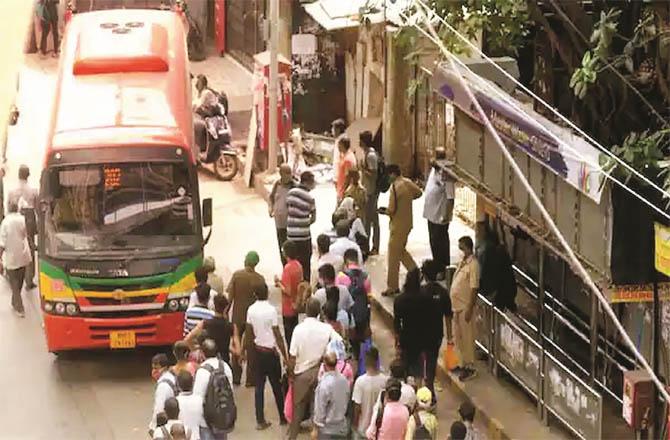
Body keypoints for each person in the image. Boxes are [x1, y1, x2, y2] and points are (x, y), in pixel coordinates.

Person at [288, 298, 342, 440]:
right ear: (319, 312)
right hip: (320, 372)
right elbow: (339, 343)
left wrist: (291, 375)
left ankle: (292, 437)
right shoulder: (326, 329)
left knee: (298, 410)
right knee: (317, 409)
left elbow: (292, 356)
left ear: (306, 311)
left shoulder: (298, 330)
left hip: (302, 374)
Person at [243, 282, 288, 430]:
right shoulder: (271, 310)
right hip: (271, 353)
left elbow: (248, 333)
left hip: (257, 352)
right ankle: (282, 417)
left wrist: (243, 351)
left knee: (259, 387)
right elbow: (277, 335)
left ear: (255, 295)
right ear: (267, 293)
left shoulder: (251, 310)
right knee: (277, 386)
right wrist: (285, 356)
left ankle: (260, 420)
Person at [381, 164, 423, 296]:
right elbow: (419, 193)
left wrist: (384, 211)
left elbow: (391, 209)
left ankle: (392, 286)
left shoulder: (395, 187)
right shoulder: (407, 182)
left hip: (397, 225)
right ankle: (414, 270)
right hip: (407, 223)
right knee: (400, 251)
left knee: (393, 256)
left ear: (393, 174)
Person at [226, 251, 265, 384]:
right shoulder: (260, 279)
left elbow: (230, 297)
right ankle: (250, 378)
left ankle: (236, 377)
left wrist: (225, 312)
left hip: (237, 317)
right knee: (251, 348)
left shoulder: (237, 275)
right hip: (252, 319)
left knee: (235, 344)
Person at [421, 259, 452, 401]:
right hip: (437, 334)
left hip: (423, 333)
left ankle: (424, 389)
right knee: (432, 360)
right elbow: (448, 316)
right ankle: (429, 388)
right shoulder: (443, 292)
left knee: (422, 360)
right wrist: (450, 337)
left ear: (424, 275)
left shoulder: (421, 292)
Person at [450, 236, 479, 382]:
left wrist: (469, 308)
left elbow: (474, 288)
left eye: (462, 247)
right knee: (458, 338)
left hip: (465, 306)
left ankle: (470, 367)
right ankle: (461, 363)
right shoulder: (463, 262)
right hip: (456, 307)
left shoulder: (473, 265)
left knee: (467, 339)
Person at [192, 339, 234, 439]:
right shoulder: (225, 367)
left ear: (202, 353)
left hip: (206, 421)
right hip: (222, 417)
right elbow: (230, 391)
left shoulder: (202, 371)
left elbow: (198, 398)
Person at [393, 269, 429, 379]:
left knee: (404, 368)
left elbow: (397, 322)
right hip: (420, 339)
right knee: (418, 370)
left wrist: (397, 340)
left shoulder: (400, 300)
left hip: (405, 338)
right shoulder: (424, 299)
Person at [7, 164, 38, 289]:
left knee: (15, 246)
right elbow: (37, 208)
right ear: (28, 175)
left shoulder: (12, 191)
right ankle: (29, 280)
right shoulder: (33, 191)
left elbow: (8, 207)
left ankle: (14, 275)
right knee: (29, 248)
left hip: (15, 217)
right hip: (29, 218)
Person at [0, 201, 32, 317]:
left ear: (8, 208)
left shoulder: (5, 223)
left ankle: (19, 307)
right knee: (19, 282)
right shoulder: (23, 219)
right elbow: (27, 235)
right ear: (17, 208)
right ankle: (15, 302)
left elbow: (2, 243)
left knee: (14, 283)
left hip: (12, 258)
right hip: (23, 256)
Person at [186, 294, 237, 365]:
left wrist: (196, 349)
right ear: (226, 308)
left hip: (207, 362)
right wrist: (228, 347)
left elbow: (188, 339)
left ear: (214, 306)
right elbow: (238, 351)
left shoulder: (205, 323)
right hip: (224, 362)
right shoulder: (231, 326)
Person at [312, 351, 351, 439]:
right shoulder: (344, 381)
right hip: (341, 428)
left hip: (327, 430)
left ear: (324, 365)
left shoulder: (324, 385)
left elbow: (320, 410)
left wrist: (315, 428)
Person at [423, 164, 455, 271]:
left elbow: (451, 198)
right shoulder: (433, 171)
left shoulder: (447, 176)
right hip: (430, 215)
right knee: (433, 242)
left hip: (440, 217)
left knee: (441, 243)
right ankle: (436, 266)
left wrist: (446, 215)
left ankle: (444, 268)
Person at [286, 170, 317, 282]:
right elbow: (313, 218)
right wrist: (305, 223)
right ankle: (305, 285)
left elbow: (287, 209)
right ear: (308, 182)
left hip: (291, 234)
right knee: (305, 263)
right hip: (303, 236)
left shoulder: (290, 193)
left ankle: (292, 283)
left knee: (293, 262)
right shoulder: (310, 198)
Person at [351, 347, 388, 439]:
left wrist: (354, 424)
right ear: (377, 360)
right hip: (379, 429)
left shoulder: (360, 382)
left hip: (363, 428)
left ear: (365, 361)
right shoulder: (385, 380)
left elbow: (357, 406)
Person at [275, 240, 303, 346]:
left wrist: (278, 283)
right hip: (296, 303)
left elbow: (287, 290)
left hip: (288, 307)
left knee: (289, 335)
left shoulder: (287, 268)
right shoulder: (298, 266)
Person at [269, 163, 295, 265]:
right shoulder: (277, 184)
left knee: (291, 249)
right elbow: (271, 198)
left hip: (290, 224)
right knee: (282, 247)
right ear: (281, 174)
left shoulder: (294, 186)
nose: (289, 175)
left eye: (290, 173)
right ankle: (284, 268)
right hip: (279, 223)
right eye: (286, 173)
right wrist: (270, 208)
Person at [360, 131, 380, 255]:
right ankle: (369, 245)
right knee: (369, 219)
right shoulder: (367, 153)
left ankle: (372, 246)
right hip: (368, 190)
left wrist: (363, 169)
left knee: (371, 220)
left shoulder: (371, 156)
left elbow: (374, 174)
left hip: (371, 191)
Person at [149, 354, 178, 437]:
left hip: (167, 424)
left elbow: (159, 408)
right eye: (153, 368)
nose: (154, 371)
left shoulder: (163, 386)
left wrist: (153, 427)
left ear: (164, 368)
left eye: (156, 368)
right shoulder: (171, 377)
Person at [175, 371, 202, 440]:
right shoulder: (199, 400)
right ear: (193, 384)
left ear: (178, 385)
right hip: (196, 437)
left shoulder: (175, 402)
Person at [336, 136, 357, 203]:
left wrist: (344, 192)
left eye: (339, 145)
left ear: (343, 145)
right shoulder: (345, 156)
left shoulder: (348, 159)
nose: (338, 147)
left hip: (344, 191)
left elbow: (348, 177)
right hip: (341, 189)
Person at [331, 118, 346, 192]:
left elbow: (341, 158)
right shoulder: (338, 139)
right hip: (337, 171)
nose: (332, 130)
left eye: (333, 128)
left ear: (338, 129)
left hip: (340, 172)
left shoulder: (342, 141)